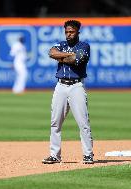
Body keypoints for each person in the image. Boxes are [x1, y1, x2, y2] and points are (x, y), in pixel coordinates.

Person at [42, 20, 94, 164]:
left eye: (71, 31)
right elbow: (51, 52)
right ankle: (54, 155)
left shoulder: (84, 46)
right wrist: (66, 55)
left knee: (83, 122)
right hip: (60, 86)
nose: (68, 34)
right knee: (55, 122)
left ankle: (88, 154)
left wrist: (62, 56)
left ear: (78, 32)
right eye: (66, 32)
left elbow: (75, 59)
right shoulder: (61, 44)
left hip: (76, 86)